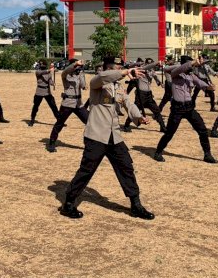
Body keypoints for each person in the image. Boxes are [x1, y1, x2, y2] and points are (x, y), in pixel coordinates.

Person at [59, 56, 154, 220]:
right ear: (108, 68)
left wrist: (138, 117)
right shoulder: (98, 82)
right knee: (86, 170)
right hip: (96, 135)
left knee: (126, 167)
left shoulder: (118, 87)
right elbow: (104, 77)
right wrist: (124, 72)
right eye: (117, 66)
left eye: (120, 66)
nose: (120, 69)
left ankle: (136, 205)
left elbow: (128, 103)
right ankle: (68, 203)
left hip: (114, 136)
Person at [153, 55, 218, 164]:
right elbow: (174, 68)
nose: (192, 66)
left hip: (189, 107)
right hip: (177, 108)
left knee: (202, 130)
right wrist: (192, 63)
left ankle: (207, 154)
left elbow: (200, 83)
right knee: (169, 132)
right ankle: (158, 152)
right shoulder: (175, 73)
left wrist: (208, 87)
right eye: (190, 64)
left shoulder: (191, 76)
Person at [47, 59, 88, 152]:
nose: (78, 68)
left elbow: (83, 86)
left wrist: (81, 73)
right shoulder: (65, 75)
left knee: (89, 122)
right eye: (76, 66)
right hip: (67, 103)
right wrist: (75, 64)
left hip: (78, 104)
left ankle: (89, 143)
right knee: (59, 123)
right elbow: (66, 71)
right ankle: (52, 142)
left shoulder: (79, 75)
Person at [123, 58, 166, 133]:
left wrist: (160, 83)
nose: (150, 65)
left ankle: (163, 127)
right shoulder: (141, 69)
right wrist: (157, 62)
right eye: (149, 64)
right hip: (141, 95)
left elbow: (156, 78)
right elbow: (147, 67)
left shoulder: (152, 71)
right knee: (135, 111)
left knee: (157, 111)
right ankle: (126, 125)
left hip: (149, 95)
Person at [28, 60, 59, 126]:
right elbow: (41, 73)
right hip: (39, 91)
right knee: (35, 106)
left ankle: (59, 120)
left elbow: (50, 81)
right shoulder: (38, 71)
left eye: (42, 65)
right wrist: (50, 70)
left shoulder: (48, 73)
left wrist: (52, 83)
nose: (41, 66)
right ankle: (32, 119)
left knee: (53, 106)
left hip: (47, 92)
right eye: (41, 65)